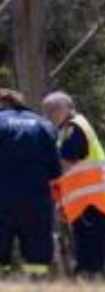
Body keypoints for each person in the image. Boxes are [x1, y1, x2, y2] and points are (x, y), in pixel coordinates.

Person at [0, 88, 61, 278]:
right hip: (37, 199)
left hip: (0, 199)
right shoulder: (44, 125)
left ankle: (1, 290)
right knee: (37, 258)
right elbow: (56, 169)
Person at [42, 91, 105, 278]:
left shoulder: (74, 127)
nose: (49, 114)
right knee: (91, 252)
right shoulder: (66, 131)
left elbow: (66, 161)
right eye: (46, 110)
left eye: (54, 109)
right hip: (88, 204)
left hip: (91, 204)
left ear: (69, 108)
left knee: (90, 256)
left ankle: (90, 287)